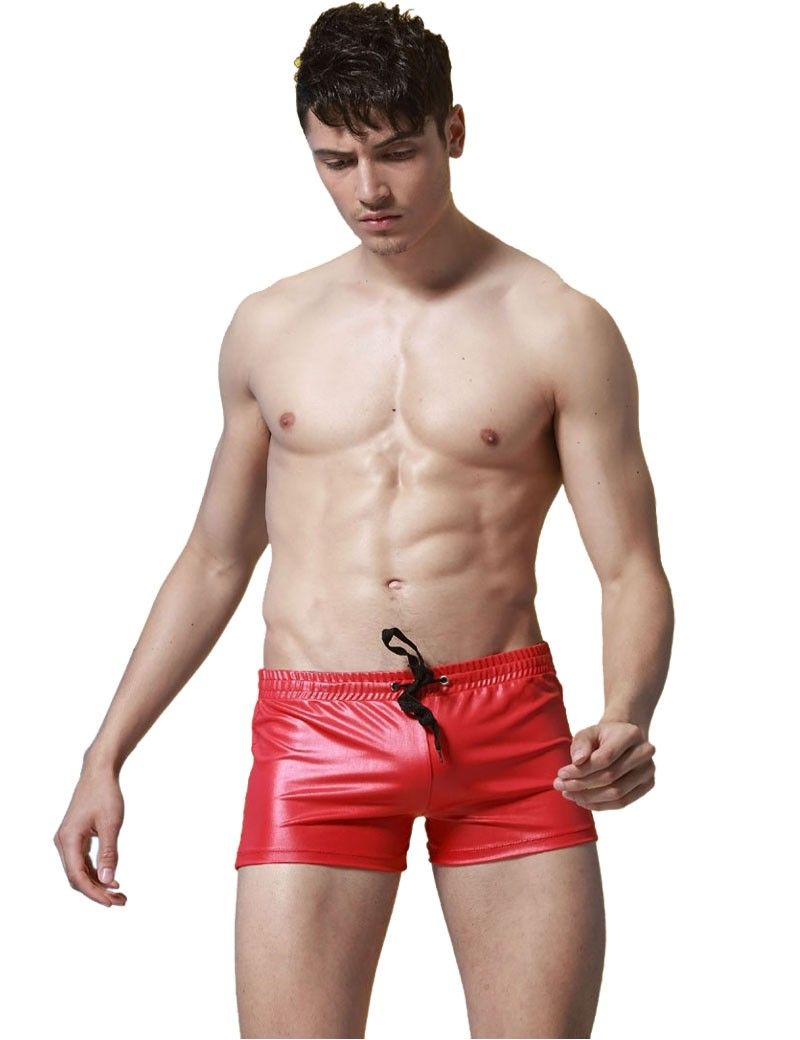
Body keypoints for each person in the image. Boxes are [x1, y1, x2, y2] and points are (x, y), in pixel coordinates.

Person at [54, 2, 674, 1037]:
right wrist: (105, 753)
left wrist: (629, 707)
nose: (369, 191)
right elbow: (215, 557)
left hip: (507, 733)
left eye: (397, 153)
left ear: (453, 132)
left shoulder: (560, 326)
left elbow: (629, 565)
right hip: (314, 732)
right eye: (336, 161)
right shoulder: (269, 327)